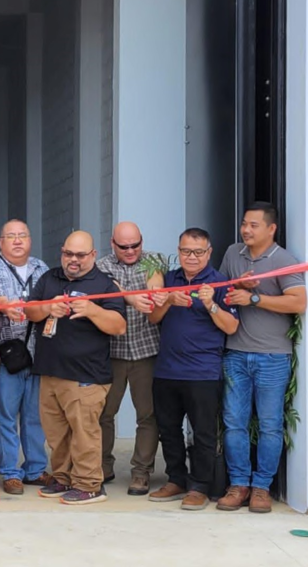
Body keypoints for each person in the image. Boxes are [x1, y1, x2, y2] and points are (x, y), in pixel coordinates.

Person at [24, 231, 126, 505]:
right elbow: (30, 311)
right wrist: (48, 307)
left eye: (80, 255)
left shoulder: (104, 285)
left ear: (93, 255)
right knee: (56, 433)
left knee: (84, 433)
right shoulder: (49, 278)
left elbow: (119, 326)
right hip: (50, 370)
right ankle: (63, 477)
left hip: (87, 375)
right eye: (68, 253)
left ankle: (90, 485)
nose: (73, 260)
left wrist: (92, 310)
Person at [217, 202, 306, 513]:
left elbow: (298, 303)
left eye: (253, 225)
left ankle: (262, 488)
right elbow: (222, 294)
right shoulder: (233, 253)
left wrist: (254, 297)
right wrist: (237, 286)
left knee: (269, 425)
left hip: (272, 356)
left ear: (271, 229)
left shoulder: (284, 260)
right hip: (236, 354)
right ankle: (238, 484)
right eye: (244, 224)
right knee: (234, 423)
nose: (246, 230)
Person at [147, 228, 239, 510]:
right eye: (186, 251)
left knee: (203, 433)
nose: (192, 257)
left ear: (209, 253)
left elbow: (232, 327)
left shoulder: (221, 283)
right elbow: (153, 318)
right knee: (168, 429)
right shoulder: (169, 279)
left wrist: (210, 304)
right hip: (166, 370)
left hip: (203, 372)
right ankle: (176, 480)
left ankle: (199, 486)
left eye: (198, 252)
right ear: (179, 251)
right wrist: (169, 300)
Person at [0, 220, 52, 495]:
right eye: (11, 236)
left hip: (38, 353)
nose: (17, 240)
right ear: (1, 242)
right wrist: (2, 304)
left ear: (30, 240)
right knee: (6, 416)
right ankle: (11, 472)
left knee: (35, 416)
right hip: (6, 355)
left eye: (23, 235)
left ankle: (35, 469)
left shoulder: (41, 268)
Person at [95, 222, 164, 496]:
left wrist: (154, 291)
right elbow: (108, 290)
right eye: (124, 246)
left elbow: (155, 279)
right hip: (111, 352)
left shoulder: (153, 260)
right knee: (103, 414)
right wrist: (133, 299)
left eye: (135, 245)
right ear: (113, 244)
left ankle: (141, 472)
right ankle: (102, 466)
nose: (130, 250)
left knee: (147, 415)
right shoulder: (101, 266)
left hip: (147, 351)